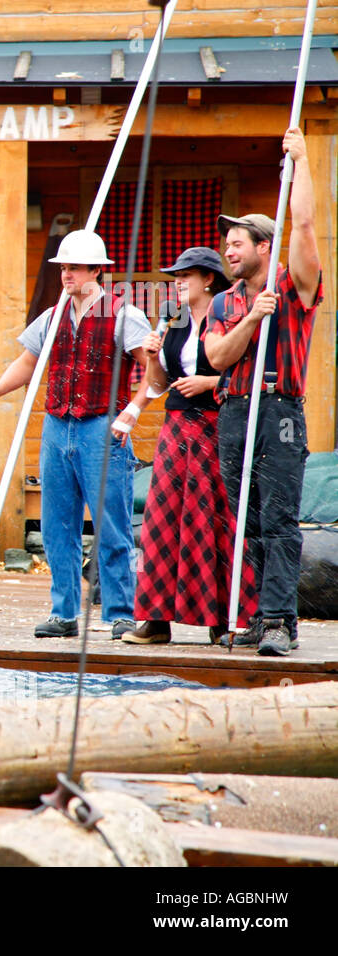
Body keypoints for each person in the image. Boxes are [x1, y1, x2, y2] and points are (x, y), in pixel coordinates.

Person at [0, 230, 150, 639]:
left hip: (101, 428)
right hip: (56, 427)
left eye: (73, 267)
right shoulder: (52, 316)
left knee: (111, 525)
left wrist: (133, 410)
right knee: (57, 527)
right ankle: (64, 612)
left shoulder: (125, 315)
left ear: (96, 271)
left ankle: (120, 612)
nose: (66, 273)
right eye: (63, 267)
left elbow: (152, 371)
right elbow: (28, 361)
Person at [205, 127, 323, 657]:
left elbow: (304, 222)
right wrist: (252, 317)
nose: (228, 250)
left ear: (263, 247)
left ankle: (280, 619)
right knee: (246, 522)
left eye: (237, 242)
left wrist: (300, 162)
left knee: (278, 519)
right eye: (226, 243)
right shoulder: (226, 303)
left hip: (278, 409)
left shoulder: (295, 285)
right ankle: (257, 614)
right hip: (233, 410)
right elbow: (216, 358)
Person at [110, 247, 258, 645]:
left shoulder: (229, 315)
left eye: (185, 276)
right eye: (175, 275)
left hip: (217, 424)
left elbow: (249, 374)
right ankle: (156, 620)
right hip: (176, 427)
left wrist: (210, 384)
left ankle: (222, 621)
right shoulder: (171, 319)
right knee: (163, 519)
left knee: (213, 519)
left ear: (208, 279)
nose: (177, 282)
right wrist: (154, 358)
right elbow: (158, 384)